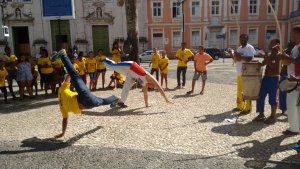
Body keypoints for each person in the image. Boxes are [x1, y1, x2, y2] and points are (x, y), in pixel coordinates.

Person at [51, 49, 118, 138]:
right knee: (75, 76)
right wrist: (69, 71)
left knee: (102, 101)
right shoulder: (62, 90)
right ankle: (63, 56)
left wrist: (63, 133)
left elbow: (65, 119)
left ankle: (116, 98)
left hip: (87, 102)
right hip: (86, 99)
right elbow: (69, 76)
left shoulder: (62, 107)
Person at [104, 58, 172, 108]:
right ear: (153, 84)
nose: (151, 88)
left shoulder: (145, 84)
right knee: (114, 66)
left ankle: (121, 102)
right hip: (130, 66)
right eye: (153, 87)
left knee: (126, 87)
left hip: (131, 75)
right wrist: (166, 99)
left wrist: (146, 105)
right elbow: (160, 87)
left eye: (152, 88)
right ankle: (105, 59)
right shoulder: (150, 77)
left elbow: (145, 94)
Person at [252, 39, 281, 124]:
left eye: (272, 43)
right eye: (270, 42)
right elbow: (263, 63)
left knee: (272, 98)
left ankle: (273, 116)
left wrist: (266, 57)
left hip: (274, 79)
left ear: (277, 45)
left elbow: (272, 66)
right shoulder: (269, 54)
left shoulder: (279, 55)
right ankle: (261, 114)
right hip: (266, 78)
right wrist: (255, 63)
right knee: (260, 96)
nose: (270, 44)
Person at [279, 26, 300, 135]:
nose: (291, 35)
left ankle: (296, 128)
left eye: (292, 33)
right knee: (291, 105)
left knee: (297, 106)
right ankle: (294, 128)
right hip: (292, 79)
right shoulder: (295, 47)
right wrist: (283, 57)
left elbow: (297, 61)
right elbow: (289, 62)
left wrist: (285, 56)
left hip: (297, 80)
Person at [228, 34, 255, 114]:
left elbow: (250, 58)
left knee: (246, 90)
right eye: (241, 39)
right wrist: (231, 54)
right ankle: (240, 106)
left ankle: (248, 108)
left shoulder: (249, 47)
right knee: (239, 90)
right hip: (239, 72)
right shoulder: (239, 48)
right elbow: (236, 60)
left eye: (243, 39)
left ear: (247, 39)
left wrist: (241, 56)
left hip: (247, 72)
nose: (242, 40)